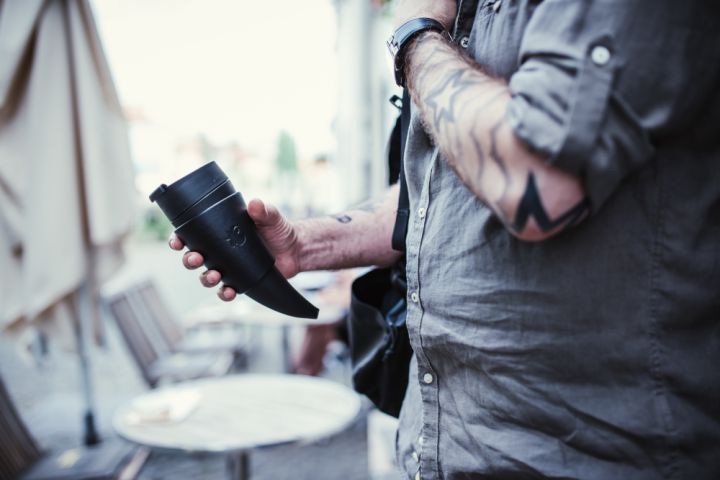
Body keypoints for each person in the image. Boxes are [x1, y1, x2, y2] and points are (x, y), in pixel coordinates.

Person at [170, 0, 720, 477]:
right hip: (442, 447)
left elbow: (536, 176)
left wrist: (414, 37)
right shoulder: (464, 15)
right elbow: (433, 196)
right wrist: (304, 245)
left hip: (589, 456)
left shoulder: (431, 29)